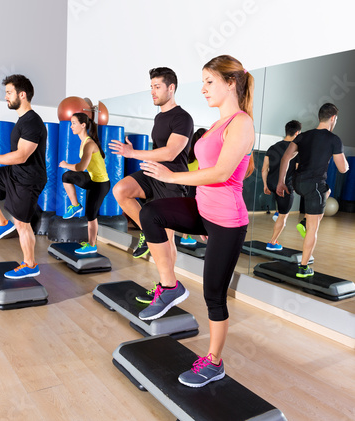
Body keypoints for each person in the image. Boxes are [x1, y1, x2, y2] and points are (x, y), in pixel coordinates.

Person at [137, 55, 255, 388]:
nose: (202, 89)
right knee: (152, 212)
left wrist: (171, 174)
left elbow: (219, 173)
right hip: (203, 210)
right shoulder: (217, 123)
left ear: (230, 83)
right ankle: (170, 287)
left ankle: (214, 362)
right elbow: (202, 171)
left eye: (209, 81)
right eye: (202, 82)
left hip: (226, 222)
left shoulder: (241, 123)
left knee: (214, 295)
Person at [109, 67, 193, 261]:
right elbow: (158, 150)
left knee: (166, 240)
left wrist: (131, 153)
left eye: (157, 86)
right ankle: (148, 231)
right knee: (121, 190)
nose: (152, 91)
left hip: (172, 180)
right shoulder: (159, 117)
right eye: (151, 87)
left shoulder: (183, 118)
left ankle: (170, 285)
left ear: (171, 88)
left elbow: (171, 153)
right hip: (153, 173)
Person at [0, 74, 47, 279]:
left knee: (23, 224)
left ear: (22, 94)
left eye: (9, 92)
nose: (6, 97)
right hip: (14, 173)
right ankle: (2, 223)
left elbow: (22, 156)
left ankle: (30, 264)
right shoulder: (23, 120)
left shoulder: (33, 122)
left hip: (28, 178)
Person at [277, 103, 349, 278]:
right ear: (333, 118)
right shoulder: (334, 139)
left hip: (297, 183)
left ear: (320, 117)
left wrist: (281, 181)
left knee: (327, 191)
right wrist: (345, 163)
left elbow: (286, 157)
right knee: (313, 229)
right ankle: (303, 268)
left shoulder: (303, 136)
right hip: (314, 186)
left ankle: (304, 222)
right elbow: (342, 169)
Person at [59, 113, 111, 254]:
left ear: (83, 125)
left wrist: (65, 164)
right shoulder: (83, 142)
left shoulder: (89, 144)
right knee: (67, 177)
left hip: (101, 184)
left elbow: (81, 167)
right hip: (92, 179)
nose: (71, 126)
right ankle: (75, 205)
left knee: (90, 215)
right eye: (71, 123)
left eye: (74, 123)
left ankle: (92, 245)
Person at [262, 120, 302, 251]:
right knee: (284, 217)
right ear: (297, 133)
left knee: (280, 206)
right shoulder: (296, 149)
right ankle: (272, 242)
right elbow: (297, 170)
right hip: (285, 187)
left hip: (271, 184)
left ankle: (278, 211)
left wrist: (265, 185)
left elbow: (264, 169)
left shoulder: (272, 147)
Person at [180, 127, 207, 247]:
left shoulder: (189, 155)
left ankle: (186, 237)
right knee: (198, 213)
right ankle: (186, 237)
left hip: (186, 186)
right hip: (196, 187)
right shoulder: (202, 156)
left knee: (190, 213)